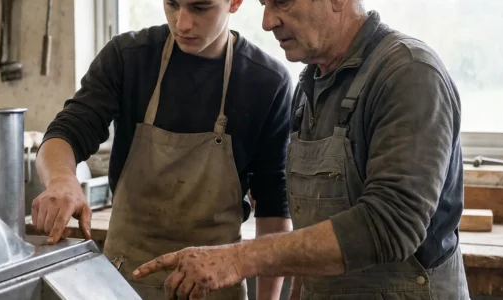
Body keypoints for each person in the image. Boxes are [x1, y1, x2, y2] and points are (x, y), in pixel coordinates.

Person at [132, 0, 470, 299]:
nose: (267, 21)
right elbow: (312, 226)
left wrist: (237, 259)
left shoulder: (408, 74)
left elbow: (391, 224)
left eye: (282, 2)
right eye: (264, 4)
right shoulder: (310, 85)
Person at [29, 0, 295, 299]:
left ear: (234, 3)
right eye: (172, 4)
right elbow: (66, 132)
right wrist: (61, 179)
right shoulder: (128, 59)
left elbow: (273, 205)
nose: (182, 23)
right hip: (124, 283)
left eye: (200, 8)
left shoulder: (266, 81)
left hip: (214, 288)